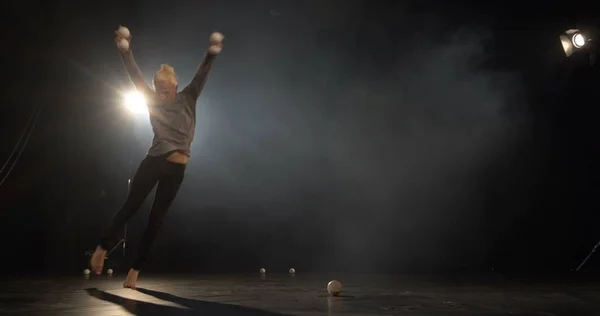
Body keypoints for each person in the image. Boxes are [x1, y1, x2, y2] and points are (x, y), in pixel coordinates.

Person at [89, 26, 224, 289]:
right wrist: (124, 49)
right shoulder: (151, 99)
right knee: (132, 205)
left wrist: (211, 53)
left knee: (157, 219)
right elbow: (134, 75)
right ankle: (102, 248)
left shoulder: (188, 96)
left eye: (165, 86)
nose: (160, 90)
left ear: (174, 85)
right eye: (157, 86)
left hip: (177, 170)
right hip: (154, 162)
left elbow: (203, 73)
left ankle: (136, 270)